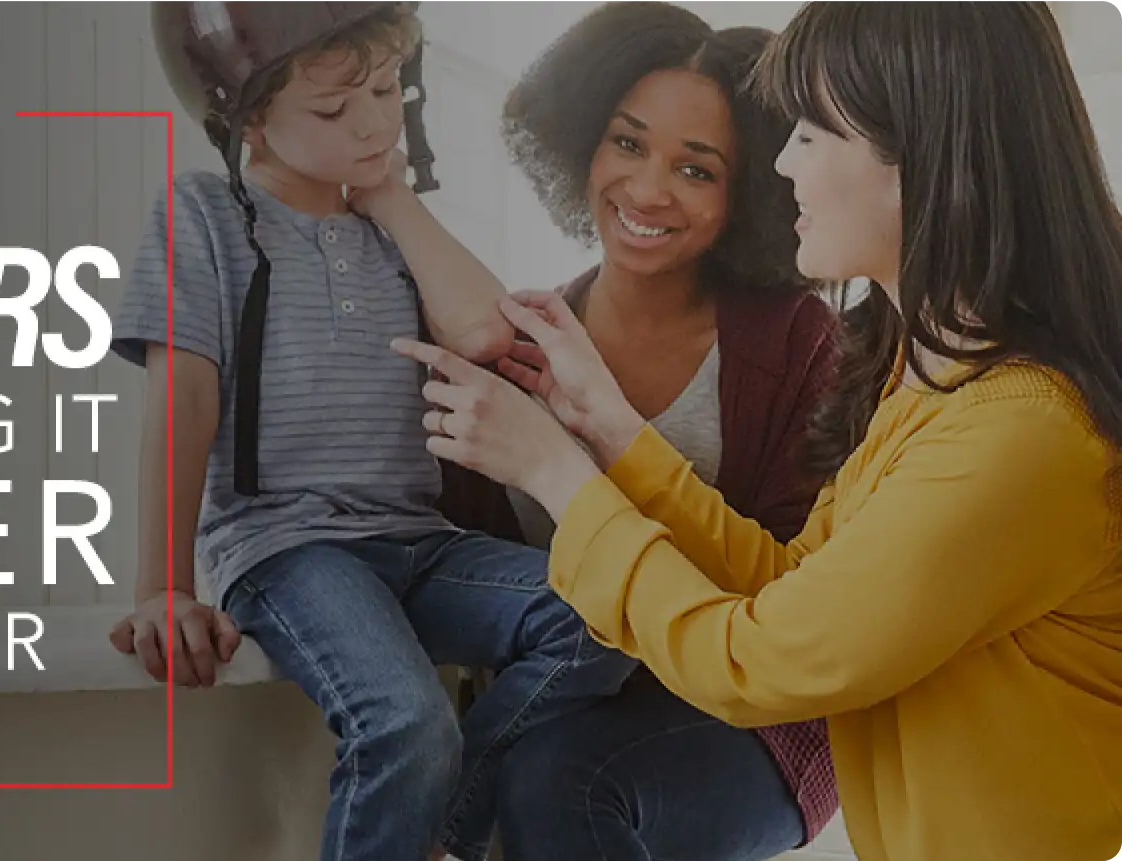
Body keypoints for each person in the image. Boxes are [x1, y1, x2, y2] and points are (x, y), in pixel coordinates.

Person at [393, 0, 1122, 858]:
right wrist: (614, 429)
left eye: (812, 133)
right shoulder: (931, 384)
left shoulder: (1020, 435)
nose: (782, 162)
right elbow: (790, 584)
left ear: (919, 150)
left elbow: (760, 658)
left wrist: (563, 475)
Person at [106, 2, 637, 859]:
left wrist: (390, 194)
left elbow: (484, 332)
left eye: (388, 89)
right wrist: (162, 588)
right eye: (332, 109)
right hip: (292, 549)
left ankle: (444, 836)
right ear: (248, 121)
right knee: (406, 721)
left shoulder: (393, 234)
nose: (375, 120)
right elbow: (184, 403)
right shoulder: (202, 217)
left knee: (605, 613)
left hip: (418, 544)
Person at [375, 2, 848, 858]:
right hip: (561, 716)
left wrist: (580, 459)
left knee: (559, 779)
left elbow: (795, 603)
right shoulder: (513, 346)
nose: (647, 189)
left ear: (746, 196)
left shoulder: (797, 344)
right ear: (584, 140)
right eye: (627, 144)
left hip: (747, 717)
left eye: (696, 170)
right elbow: (450, 561)